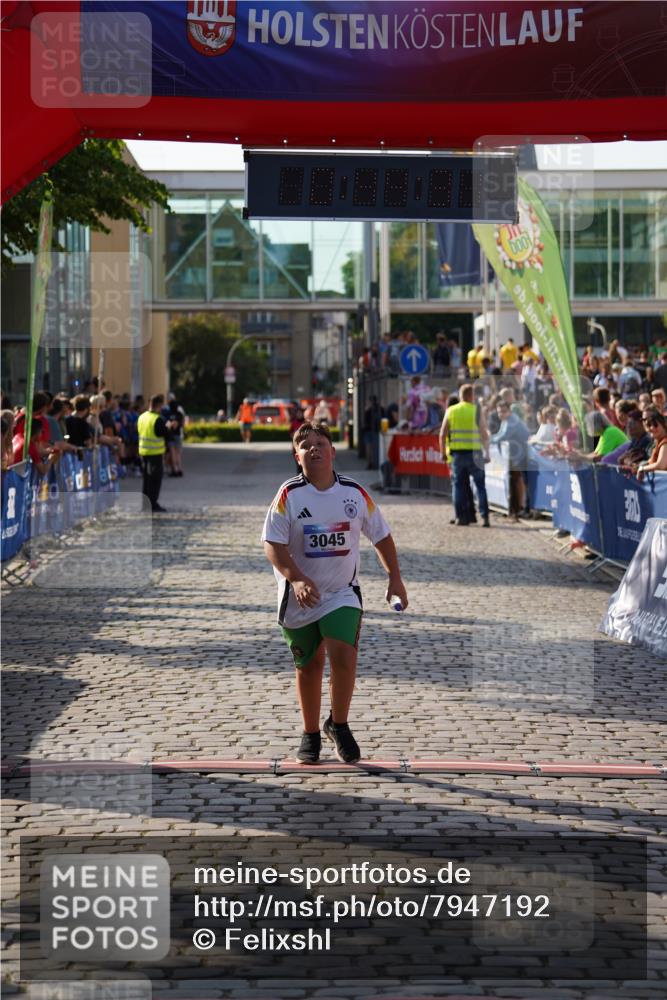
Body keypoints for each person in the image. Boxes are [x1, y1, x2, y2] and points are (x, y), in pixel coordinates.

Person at [261, 421, 408, 765]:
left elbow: (382, 536)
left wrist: (395, 579)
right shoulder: (289, 496)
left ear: (332, 451)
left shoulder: (354, 494)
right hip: (298, 595)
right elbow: (273, 544)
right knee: (309, 667)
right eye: (305, 445)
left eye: (320, 443)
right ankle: (311, 732)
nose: (314, 448)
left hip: (342, 592)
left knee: (343, 654)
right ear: (297, 457)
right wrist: (295, 579)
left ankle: (339, 724)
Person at [439, 383, 490, 527]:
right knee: (480, 486)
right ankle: (485, 517)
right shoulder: (476, 410)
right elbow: (484, 434)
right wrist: (487, 453)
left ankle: (460, 517)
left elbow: (442, 433)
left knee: (458, 486)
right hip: (475, 454)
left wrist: (443, 452)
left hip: (458, 455)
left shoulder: (451, 410)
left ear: (461, 395)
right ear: (471, 395)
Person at [491, 400, 531, 521]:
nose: (501, 414)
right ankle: (518, 509)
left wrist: (488, 440)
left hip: (522, 455)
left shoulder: (512, 421)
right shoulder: (506, 421)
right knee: (516, 481)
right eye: (499, 412)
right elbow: (499, 434)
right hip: (516, 455)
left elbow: (503, 436)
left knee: (521, 482)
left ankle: (522, 509)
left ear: (509, 411)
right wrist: (491, 438)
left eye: (503, 411)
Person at [137, 393, 168, 514]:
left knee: (146, 480)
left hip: (143, 452)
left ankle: (145, 503)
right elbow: (163, 434)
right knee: (155, 480)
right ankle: (153, 504)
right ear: (159, 405)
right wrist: (169, 428)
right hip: (155, 453)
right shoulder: (157, 419)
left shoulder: (142, 417)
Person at [636, 407, 667, 480]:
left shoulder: (665, 442)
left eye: (655, 425)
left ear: (664, 424)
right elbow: (650, 462)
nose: (652, 428)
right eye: (649, 425)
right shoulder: (658, 442)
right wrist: (636, 467)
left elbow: (661, 465)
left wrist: (642, 469)